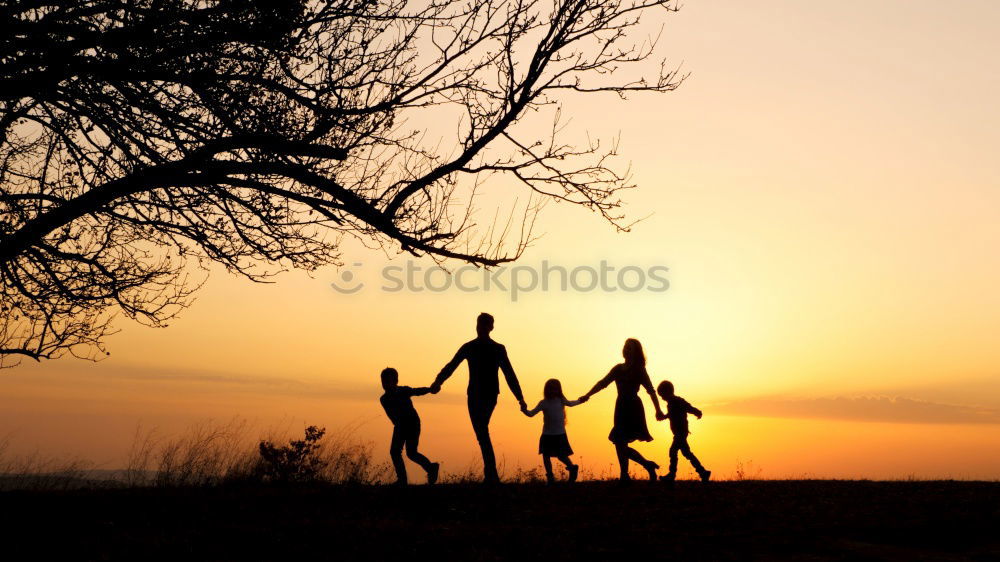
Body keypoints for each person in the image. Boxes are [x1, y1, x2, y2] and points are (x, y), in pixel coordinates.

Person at [431, 312, 527, 483]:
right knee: (482, 432)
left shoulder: (497, 348)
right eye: (479, 324)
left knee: (482, 431)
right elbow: (451, 365)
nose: (480, 327)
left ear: (491, 328)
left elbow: (509, 374)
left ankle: (491, 475)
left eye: (483, 324)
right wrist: (438, 381)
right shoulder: (469, 347)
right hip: (475, 394)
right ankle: (491, 474)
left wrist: (520, 397)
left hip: (488, 395)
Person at [580, 338, 664, 481]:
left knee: (620, 442)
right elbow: (603, 383)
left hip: (633, 408)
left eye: (630, 347)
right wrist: (588, 394)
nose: (626, 349)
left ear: (636, 352)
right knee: (620, 443)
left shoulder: (639, 369)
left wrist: (658, 410)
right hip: (620, 407)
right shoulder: (618, 368)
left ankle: (628, 473)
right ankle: (635, 470)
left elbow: (651, 390)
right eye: (625, 347)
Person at [379, 367, 440, 486]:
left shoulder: (403, 390)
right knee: (397, 452)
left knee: (410, 452)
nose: (385, 384)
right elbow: (393, 417)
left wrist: (430, 389)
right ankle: (405, 479)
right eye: (383, 381)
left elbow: (417, 391)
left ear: (396, 381)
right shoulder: (384, 399)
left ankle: (429, 469)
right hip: (400, 426)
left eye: (388, 381)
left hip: (412, 423)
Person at [521, 379, 587, 484]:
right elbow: (531, 414)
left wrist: (581, 400)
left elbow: (570, 403)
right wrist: (524, 410)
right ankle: (550, 477)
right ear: (547, 390)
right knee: (546, 456)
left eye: (555, 388)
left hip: (560, 434)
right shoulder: (543, 403)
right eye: (550, 388)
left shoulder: (561, 400)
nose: (552, 390)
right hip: (547, 434)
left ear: (558, 390)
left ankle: (572, 467)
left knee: (561, 455)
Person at [655, 380, 711, 483]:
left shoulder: (675, 401)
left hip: (680, 432)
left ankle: (672, 475)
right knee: (686, 453)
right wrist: (696, 412)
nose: (662, 398)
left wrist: (696, 412)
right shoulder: (675, 401)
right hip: (680, 432)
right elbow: (680, 410)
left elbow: (686, 408)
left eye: (662, 395)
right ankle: (703, 472)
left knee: (673, 451)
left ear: (668, 392)